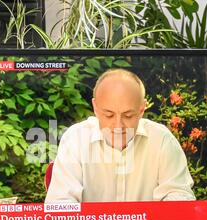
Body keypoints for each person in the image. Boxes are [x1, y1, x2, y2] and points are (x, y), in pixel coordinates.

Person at [45, 68, 195, 203]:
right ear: (95, 108)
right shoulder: (76, 139)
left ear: (142, 109)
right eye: (109, 115)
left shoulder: (162, 140)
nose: (118, 126)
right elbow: (60, 204)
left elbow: (180, 197)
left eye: (128, 115)